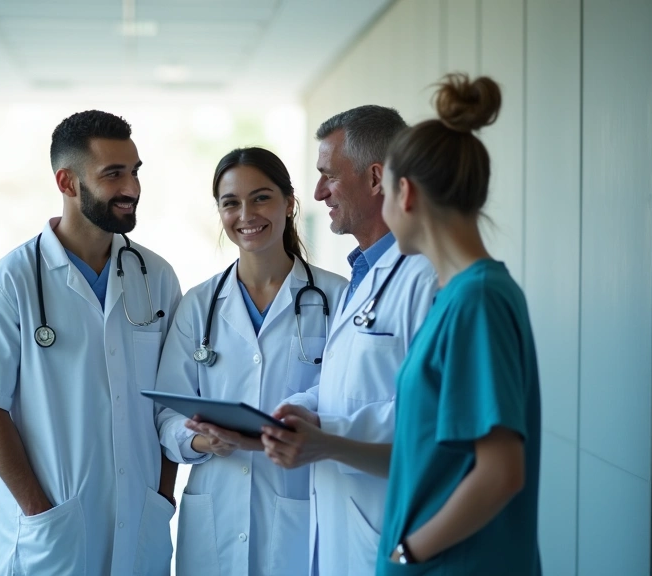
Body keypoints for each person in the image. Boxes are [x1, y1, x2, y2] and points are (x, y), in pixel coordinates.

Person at [0, 110, 182, 575]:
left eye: (134, 171)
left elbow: (170, 402)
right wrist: (36, 509)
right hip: (53, 526)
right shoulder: (11, 281)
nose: (131, 187)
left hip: (141, 520)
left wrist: (162, 496)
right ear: (67, 183)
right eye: (113, 174)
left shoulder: (156, 278)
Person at [372, 74, 542, 574]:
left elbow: (501, 472)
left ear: (405, 194)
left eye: (382, 192)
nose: (384, 209)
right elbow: (427, 456)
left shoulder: (478, 300)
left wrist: (410, 552)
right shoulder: (457, 297)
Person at [259, 106, 438, 575]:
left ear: (376, 177)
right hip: (341, 526)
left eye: (328, 177)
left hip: (390, 527)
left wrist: (326, 436)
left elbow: (430, 416)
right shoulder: (360, 275)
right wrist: (306, 408)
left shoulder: (425, 278)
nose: (318, 192)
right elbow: (349, 383)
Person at [153, 147, 347, 576]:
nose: (246, 214)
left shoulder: (337, 297)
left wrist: (293, 417)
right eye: (231, 202)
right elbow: (167, 412)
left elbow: (348, 395)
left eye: (261, 197)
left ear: (289, 203)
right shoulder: (198, 305)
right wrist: (204, 442)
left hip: (301, 501)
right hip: (215, 510)